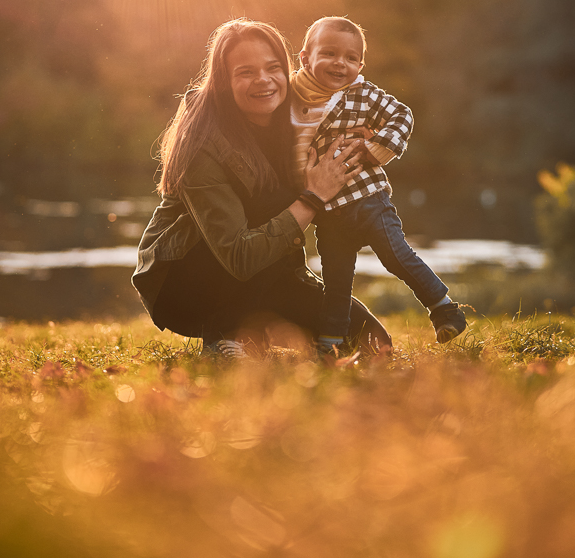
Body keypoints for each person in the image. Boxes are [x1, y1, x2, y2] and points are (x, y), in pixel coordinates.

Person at [132, 18, 393, 357]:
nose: (264, 81)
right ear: (225, 82)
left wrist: (362, 139)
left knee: (374, 342)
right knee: (269, 202)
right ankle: (224, 335)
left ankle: (256, 331)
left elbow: (355, 112)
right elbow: (240, 255)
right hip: (186, 283)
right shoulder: (202, 143)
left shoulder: (297, 117)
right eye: (246, 72)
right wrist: (313, 196)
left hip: (270, 275)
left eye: (273, 68)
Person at [290, 15, 467, 352]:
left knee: (395, 255)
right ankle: (330, 343)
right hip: (327, 211)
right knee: (337, 280)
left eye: (351, 58)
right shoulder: (291, 96)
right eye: (328, 53)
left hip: (367, 198)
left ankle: (445, 310)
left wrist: (374, 149)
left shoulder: (362, 94)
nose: (340, 64)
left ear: (360, 64)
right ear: (305, 58)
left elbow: (402, 116)